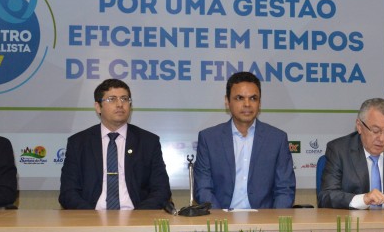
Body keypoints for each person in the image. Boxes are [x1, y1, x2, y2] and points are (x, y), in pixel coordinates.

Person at [59, 78, 171, 210]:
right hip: (92, 215)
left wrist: (137, 216)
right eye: (112, 99)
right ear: (98, 107)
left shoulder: (148, 142)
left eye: (124, 99)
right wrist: (91, 216)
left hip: (136, 215)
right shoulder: (78, 143)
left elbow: (161, 190)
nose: (120, 104)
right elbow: (68, 192)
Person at [193, 71, 295, 209]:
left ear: (259, 103)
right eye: (239, 98)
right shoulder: (209, 139)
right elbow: (203, 188)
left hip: (264, 219)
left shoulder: (277, 139)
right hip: (221, 218)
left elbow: (285, 189)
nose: (247, 104)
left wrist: (274, 219)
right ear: (227, 101)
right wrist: (221, 218)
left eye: (253, 98)